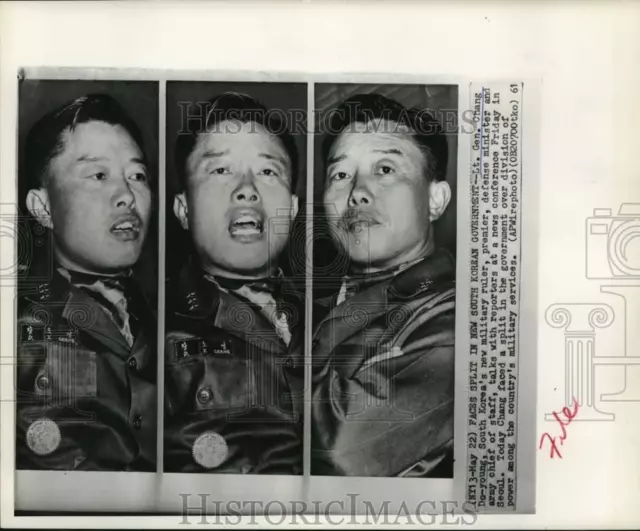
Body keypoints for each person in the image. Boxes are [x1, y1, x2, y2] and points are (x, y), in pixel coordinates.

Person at [312, 93, 455, 477]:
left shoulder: (460, 321)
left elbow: (344, 448)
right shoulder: (309, 304)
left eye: (386, 169)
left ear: (435, 200)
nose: (357, 191)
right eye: (340, 175)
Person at [164, 92, 304, 474]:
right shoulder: (148, 332)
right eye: (220, 170)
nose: (246, 188)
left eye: (267, 171)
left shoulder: (338, 317)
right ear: (183, 209)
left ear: (292, 209)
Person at [16, 93, 157, 471]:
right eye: (98, 175)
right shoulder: (19, 326)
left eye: (138, 176)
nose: (127, 195)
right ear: (43, 208)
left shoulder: (168, 316)